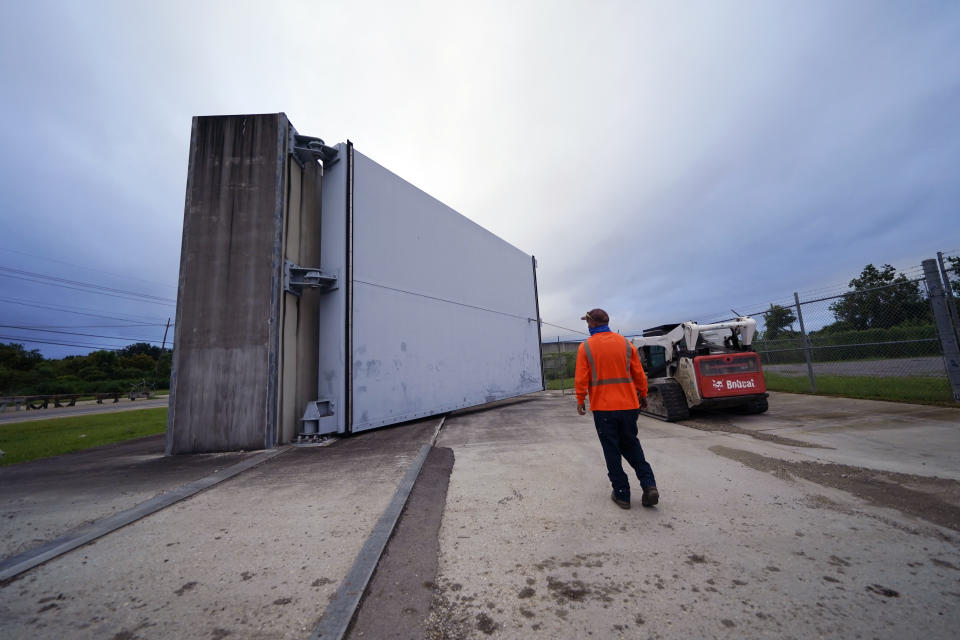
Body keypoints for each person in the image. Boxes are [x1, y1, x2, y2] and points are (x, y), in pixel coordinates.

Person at [575, 308, 659, 509]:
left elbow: (581, 378)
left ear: (592, 323)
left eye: (587, 323)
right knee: (631, 444)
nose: (587, 326)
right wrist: (643, 394)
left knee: (611, 450)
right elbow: (639, 373)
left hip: (604, 409)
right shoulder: (626, 344)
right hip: (629, 405)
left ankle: (622, 494)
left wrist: (580, 400)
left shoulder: (586, 347)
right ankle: (649, 485)